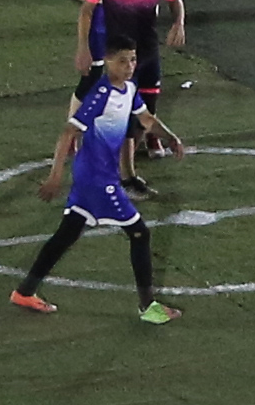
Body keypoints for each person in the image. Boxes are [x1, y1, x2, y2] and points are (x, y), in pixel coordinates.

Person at [15, 41, 175, 324]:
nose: (130, 67)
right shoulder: (101, 93)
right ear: (108, 61)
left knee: (66, 235)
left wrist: (170, 137)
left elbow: (146, 118)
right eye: (123, 61)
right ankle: (148, 306)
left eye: (133, 60)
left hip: (97, 177)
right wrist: (55, 176)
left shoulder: (130, 90)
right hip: (97, 181)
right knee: (139, 233)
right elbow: (68, 132)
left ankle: (25, 291)